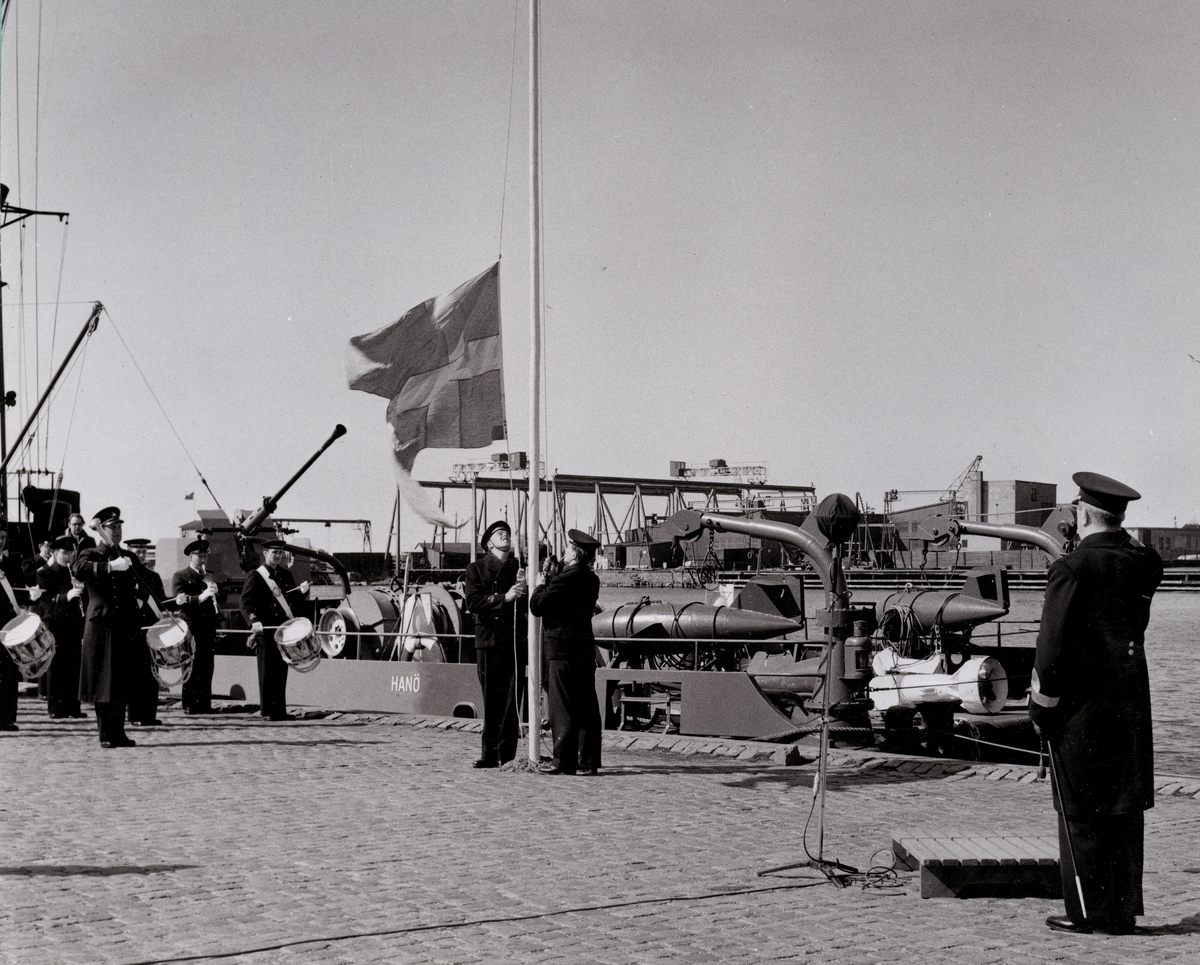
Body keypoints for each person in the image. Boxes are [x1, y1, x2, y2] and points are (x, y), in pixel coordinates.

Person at [1029, 472, 1163, 936]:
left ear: (1083, 513)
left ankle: (1087, 912)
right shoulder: (1146, 563)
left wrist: (1042, 710)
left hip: (1080, 709)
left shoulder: (1070, 570)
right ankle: (1121, 910)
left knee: (1081, 810)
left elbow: (1051, 651)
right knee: (1123, 809)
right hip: (1128, 703)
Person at [530, 529, 603, 775]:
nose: (564, 551)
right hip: (583, 647)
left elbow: (538, 606)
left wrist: (543, 582)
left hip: (561, 648)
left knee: (562, 706)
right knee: (586, 705)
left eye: (568, 548)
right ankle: (588, 762)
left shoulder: (562, 580)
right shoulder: (592, 580)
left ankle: (563, 761)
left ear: (574, 552)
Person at [72, 507, 142, 748]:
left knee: (120, 680)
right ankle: (105, 734)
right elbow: (79, 570)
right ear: (102, 530)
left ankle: (118, 732)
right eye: (112, 527)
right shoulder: (91, 553)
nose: (117, 531)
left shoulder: (127, 557)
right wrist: (111, 567)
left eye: (119, 527)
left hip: (124, 624)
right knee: (103, 681)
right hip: (101, 625)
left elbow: (143, 582)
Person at [463, 519, 527, 768]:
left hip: (512, 640)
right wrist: (505, 597)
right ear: (489, 543)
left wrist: (528, 586)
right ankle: (489, 754)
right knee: (491, 699)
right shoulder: (475, 569)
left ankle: (507, 754)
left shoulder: (519, 568)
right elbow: (473, 602)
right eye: (499, 533)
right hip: (489, 640)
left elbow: (527, 607)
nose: (505, 535)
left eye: (507, 533)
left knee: (512, 699)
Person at [240, 541, 309, 721]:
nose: (277, 556)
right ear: (265, 553)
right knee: (266, 671)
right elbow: (245, 603)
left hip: (283, 630)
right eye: (274, 552)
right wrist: (253, 621)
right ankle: (268, 711)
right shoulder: (256, 576)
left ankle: (279, 710)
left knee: (280, 670)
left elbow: (293, 599)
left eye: (280, 553)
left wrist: (302, 592)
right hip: (266, 629)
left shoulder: (285, 575)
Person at [37, 536, 86, 719]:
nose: (69, 557)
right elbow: (45, 603)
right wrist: (67, 596)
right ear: (55, 553)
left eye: (71, 553)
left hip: (73, 624)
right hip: (55, 624)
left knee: (74, 666)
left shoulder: (73, 573)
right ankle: (56, 708)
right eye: (65, 553)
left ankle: (74, 707)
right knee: (56, 667)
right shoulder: (44, 573)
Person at [173, 538, 219, 714]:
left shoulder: (210, 574)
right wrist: (200, 597)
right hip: (191, 625)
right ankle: (190, 703)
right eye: (199, 556)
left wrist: (217, 592)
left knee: (207, 665)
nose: (203, 560)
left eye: (205, 556)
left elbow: (220, 600)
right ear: (190, 557)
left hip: (208, 625)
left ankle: (205, 704)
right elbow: (179, 600)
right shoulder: (181, 575)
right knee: (191, 663)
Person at [124, 538, 165, 727]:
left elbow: (161, 602)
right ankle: (134, 715)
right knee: (133, 674)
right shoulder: (124, 575)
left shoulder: (153, 576)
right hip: (131, 629)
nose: (141, 555)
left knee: (151, 673)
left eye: (143, 551)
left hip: (150, 630)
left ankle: (149, 714)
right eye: (137, 552)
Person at [0, 526, 31, 731]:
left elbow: (20, 594)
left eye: (3, 537)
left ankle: (6, 718)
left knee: (9, 672)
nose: (0, 541)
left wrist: (32, 596)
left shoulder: (12, 565)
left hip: (8, 626)